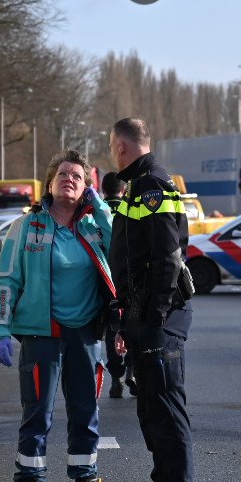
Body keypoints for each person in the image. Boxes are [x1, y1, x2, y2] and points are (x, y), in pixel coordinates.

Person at [0, 149, 117, 482]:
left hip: (84, 337)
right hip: (41, 338)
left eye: (78, 177)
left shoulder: (94, 227)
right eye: (62, 174)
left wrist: (101, 210)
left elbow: (118, 252)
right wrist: (0, 329)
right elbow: (6, 280)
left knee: (85, 419)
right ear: (49, 183)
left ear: (86, 189)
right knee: (37, 419)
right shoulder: (26, 227)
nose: (69, 179)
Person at [107, 117, 197, 482]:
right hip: (145, 318)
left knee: (166, 414)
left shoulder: (152, 185)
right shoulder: (139, 184)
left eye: (111, 147)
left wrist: (154, 316)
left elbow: (167, 255)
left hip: (159, 320)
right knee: (151, 415)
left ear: (121, 146)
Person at [100, 171, 134, 399]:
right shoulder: (131, 209)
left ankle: (116, 379)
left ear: (103, 190)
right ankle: (132, 370)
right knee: (130, 325)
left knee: (112, 329)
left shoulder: (95, 211)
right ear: (123, 189)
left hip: (104, 281)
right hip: (128, 280)